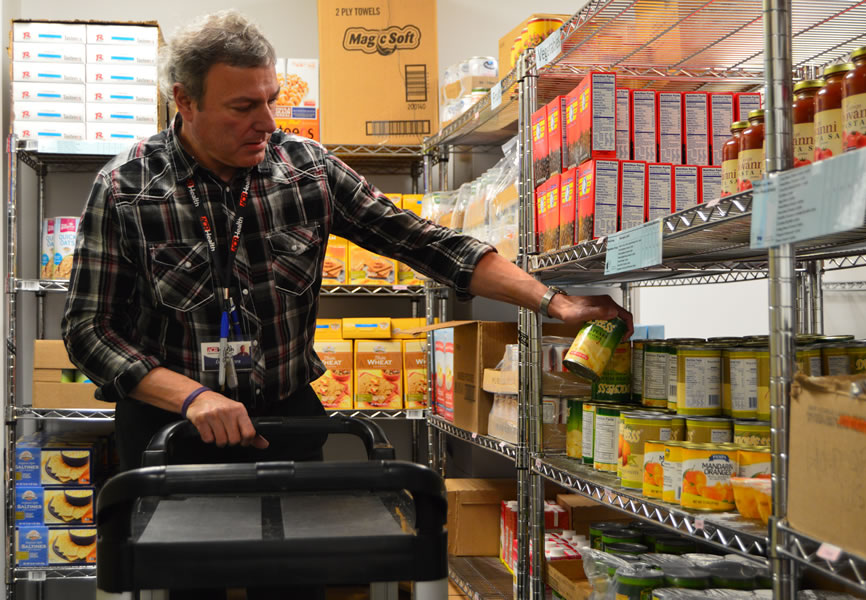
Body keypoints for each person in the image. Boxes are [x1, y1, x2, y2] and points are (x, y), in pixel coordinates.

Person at [61, 9, 632, 599]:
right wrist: (194, 397)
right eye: (242, 107)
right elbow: (87, 329)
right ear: (184, 99)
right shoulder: (127, 188)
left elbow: (426, 243)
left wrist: (553, 302)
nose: (266, 122)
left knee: (294, 587)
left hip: (281, 420)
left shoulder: (306, 170)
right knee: (188, 589)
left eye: (271, 100)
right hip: (169, 431)